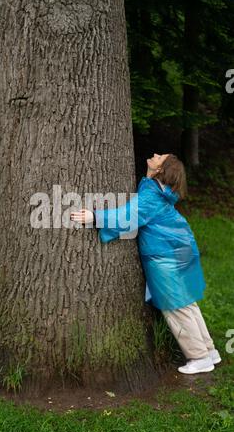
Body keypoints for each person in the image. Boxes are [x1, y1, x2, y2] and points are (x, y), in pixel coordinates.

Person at [70, 153, 221, 374]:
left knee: (175, 306)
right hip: (180, 248)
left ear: (161, 170)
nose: (155, 154)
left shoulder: (152, 195)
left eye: (160, 157)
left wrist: (95, 216)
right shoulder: (156, 190)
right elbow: (141, 202)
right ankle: (209, 351)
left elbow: (128, 216)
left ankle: (199, 357)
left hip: (167, 254)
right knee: (186, 303)